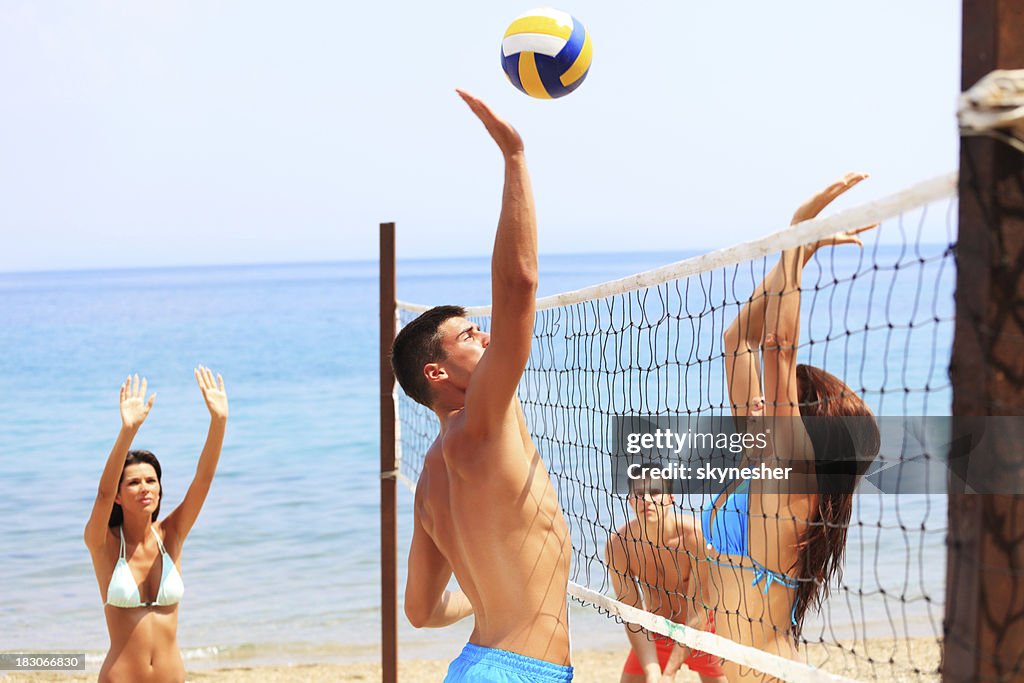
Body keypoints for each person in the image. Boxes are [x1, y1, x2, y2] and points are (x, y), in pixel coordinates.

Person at [390, 90, 573, 682]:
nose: (488, 337)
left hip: (479, 665)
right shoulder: (482, 428)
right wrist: (515, 156)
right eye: (472, 333)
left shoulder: (431, 479)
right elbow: (518, 286)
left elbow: (419, 611)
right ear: (437, 373)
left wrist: (488, 585)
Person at [700, 173, 881, 680]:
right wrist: (794, 256)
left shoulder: (791, 479)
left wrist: (797, 231)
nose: (759, 399)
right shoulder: (759, 465)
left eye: (783, 405)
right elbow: (739, 340)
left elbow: (778, 348)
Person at [84, 368, 228, 683]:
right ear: (120, 497)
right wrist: (128, 431)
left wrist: (218, 422)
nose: (146, 487)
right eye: (134, 482)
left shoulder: (171, 535)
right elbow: (103, 493)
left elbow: (203, 479)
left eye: (152, 480)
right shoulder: (103, 543)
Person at [606, 467, 727, 683]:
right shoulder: (619, 545)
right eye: (639, 494)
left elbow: (698, 609)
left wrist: (669, 673)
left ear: (670, 499)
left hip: (701, 629)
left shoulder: (696, 537)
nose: (646, 500)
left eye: (654, 492)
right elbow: (632, 616)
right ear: (630, 501)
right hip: (656, 629)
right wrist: (654, 673)